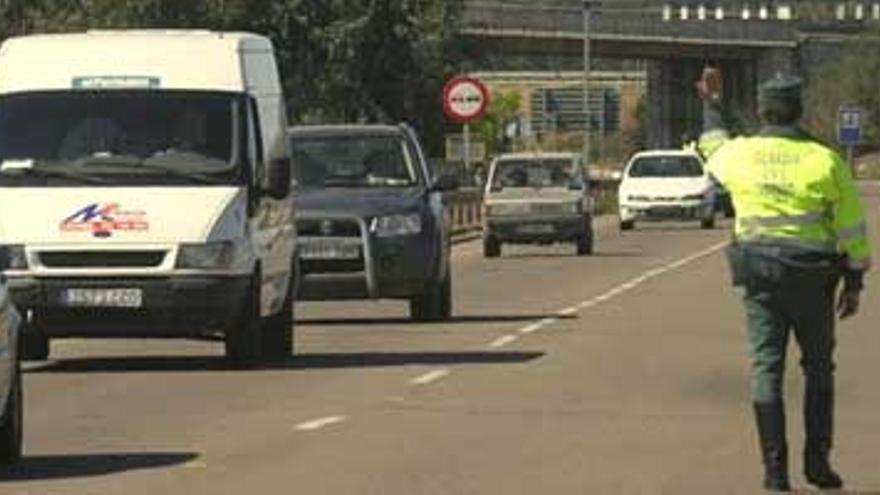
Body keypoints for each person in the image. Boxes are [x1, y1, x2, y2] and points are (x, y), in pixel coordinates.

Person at [706, 74, 871, 492]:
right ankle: (818, 464)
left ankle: (775, 472)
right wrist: (854, 283)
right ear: (798, 110)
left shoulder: (740, 155)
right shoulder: (825, 160)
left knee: (766, 369)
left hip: (761, 278)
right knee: (818, 369)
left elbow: (711, 146)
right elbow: (851, 229)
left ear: (762, 110)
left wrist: (712, 103)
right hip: (814, 281)